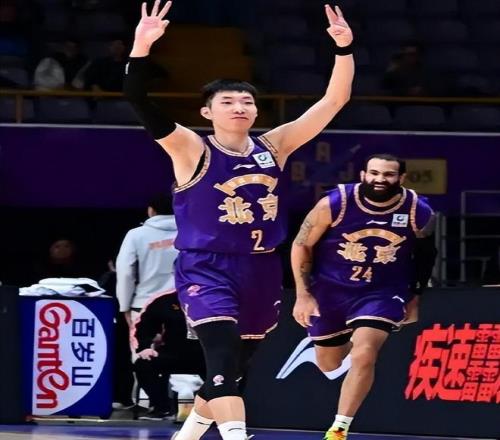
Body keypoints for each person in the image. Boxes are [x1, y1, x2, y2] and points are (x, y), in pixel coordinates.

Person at [123, 2, 354, 439]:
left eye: (246, 101)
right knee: (222, 357)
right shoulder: (190, 148)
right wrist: (141, 46)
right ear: (207, 112)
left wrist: (344, 49)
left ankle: (186, 437)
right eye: (227, 101)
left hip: (261, 267)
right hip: (206, 266)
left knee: (233, 371)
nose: (239, 107)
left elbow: (334, 101)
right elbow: (137, 98)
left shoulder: (274, 146)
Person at [291, 154, 437, 440]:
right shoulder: (334, 203)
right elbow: (301, 245)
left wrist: (416, 294)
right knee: (330, 364)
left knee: (365, 353)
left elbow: (426, 255)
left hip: (383, 291)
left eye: (389, 174)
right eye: (374, 173)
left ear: (401, 178)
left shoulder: (418, 210)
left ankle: (339, 429)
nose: (380, 179)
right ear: (363, 175)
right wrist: (302, 294)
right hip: (331, 290)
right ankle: (347, 347)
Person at [131, 290, 205, 420]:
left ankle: (215, 410)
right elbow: (143, 326)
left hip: (208, 354)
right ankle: (162, 408)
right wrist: (144, 347)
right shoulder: (164, 300)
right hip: (173, 352)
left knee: (229, 367)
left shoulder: (218, 297)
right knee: (144, 364)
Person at [115, 193, 178, 327]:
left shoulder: (136, 235)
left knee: (145, 342)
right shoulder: (190, 233)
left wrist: (124, 306)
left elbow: (126, 272)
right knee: (182, 342)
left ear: (151, 210)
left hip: (144, 304)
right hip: (183, 306)